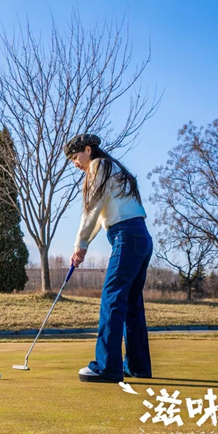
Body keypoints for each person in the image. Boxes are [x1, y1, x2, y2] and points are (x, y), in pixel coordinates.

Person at [64, 133, 153, 383]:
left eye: (75, 156)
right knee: (131, 305)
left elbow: (92, 206)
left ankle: (106, 367)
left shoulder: (98, 165)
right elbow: (99, 214)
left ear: (89, 150)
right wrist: (82, 246)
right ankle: (138, 366)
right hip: (141, 238)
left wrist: (79, 245)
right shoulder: (115, 168)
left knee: (111, 300)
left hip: (126, 237)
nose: (75, 163)